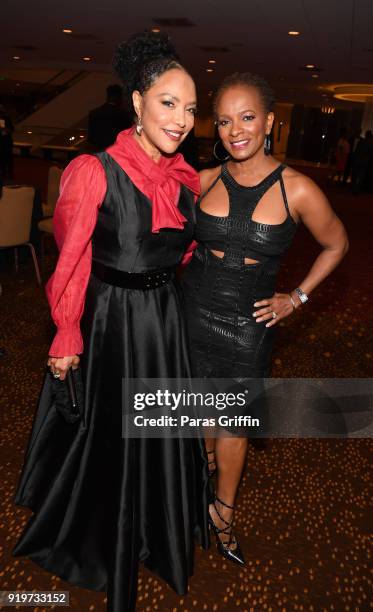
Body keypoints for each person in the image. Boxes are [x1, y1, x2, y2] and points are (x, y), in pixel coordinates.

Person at [12, 31, 210, 612]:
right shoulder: (93, 170)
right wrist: (66, 331)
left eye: (191, 107)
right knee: (108, 436)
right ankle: (97, 538)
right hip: (110, 323)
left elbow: (182, 251)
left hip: (162, 324)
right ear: (137, 103)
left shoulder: (184, 180)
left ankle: (153, 531)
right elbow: (69, 259)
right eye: (169, 103)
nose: (181, 119)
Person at [182, 72, 349, 566]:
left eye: (248, 117)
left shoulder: (299, 189)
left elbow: (337, 244)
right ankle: (198, 480)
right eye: (226, 120)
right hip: (193, 309)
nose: (236, 130)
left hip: (248, 324)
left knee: (234, 421)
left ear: (270, 121)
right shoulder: (203, 179)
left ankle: (223, 515)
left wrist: (296, 297)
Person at [88, 83, 132, 151]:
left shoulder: (94, 113)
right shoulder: (123, 114)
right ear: (119, 97)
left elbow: (91, 137)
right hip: (117, 152)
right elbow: (127, 136)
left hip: (99, 152)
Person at [0, 104, 14, 180]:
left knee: (9, 159)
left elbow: (11, 129)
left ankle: (10, 175)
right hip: (1, 142)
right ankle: (3, 173)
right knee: (2, 159)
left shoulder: (7, 119)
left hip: (7, 142)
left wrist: (6, 130)